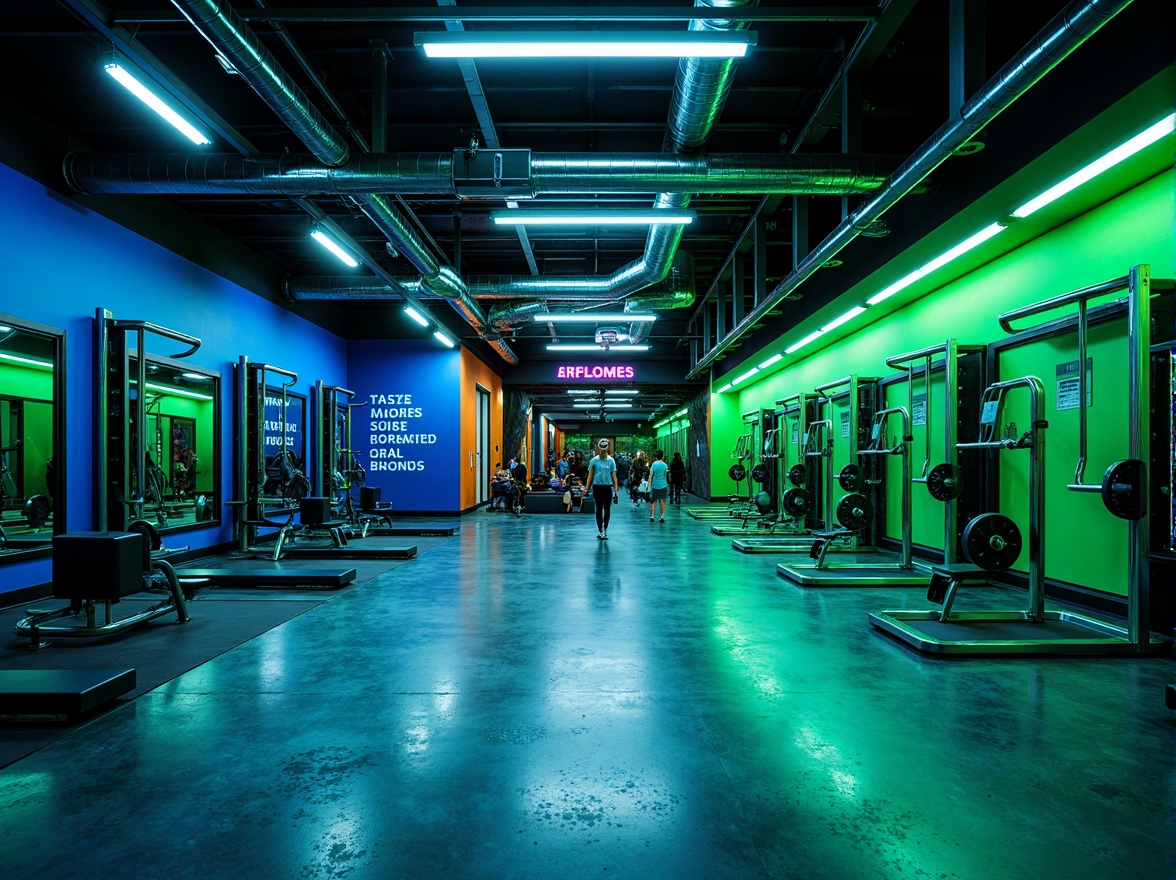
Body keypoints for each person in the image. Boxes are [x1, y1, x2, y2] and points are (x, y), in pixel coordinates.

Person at [583, 438, 619, 539]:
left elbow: (614, 476)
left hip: (607, 487)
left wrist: (616, 491)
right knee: (599, 509)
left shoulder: (611, 461)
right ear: (599, 448)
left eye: (604, 448)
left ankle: (605, 529)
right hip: (597, 487)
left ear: (607, 449)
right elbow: (590, 475)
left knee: (607, 509)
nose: (603, 450)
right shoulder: (594, 461)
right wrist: (587, 488)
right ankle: (601, 530)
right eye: (601, 448)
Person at [648, 449, 670, 523]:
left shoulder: (654, 464)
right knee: (662, 501)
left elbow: (651, 476)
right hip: (663, 485)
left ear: (656, 456)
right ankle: (662, 516)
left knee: (653, 501)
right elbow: (665, 476)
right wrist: (666, 484)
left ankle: (652, 516)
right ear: (662, 456)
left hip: (655, 485)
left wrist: (649, 486)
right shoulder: (665, 465)